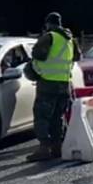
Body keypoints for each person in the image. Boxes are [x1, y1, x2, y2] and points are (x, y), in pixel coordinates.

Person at [26, 12, 82, 162]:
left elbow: (38, 55)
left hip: (48, 83)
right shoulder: (70, 40)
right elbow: (78, 57)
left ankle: (44, 147)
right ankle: (57, 147)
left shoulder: (49, 37)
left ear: (48, 24)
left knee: (42, 116)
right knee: (58, 117)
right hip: (64, 84)